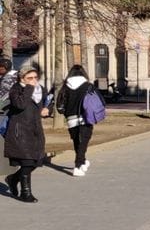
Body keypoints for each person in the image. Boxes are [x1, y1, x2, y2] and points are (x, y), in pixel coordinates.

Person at [4, 66, 50, 203]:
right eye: (30, 78)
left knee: (35, 161)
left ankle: (13, 179)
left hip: (35, 130)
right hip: (20, 131)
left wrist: (47, 109)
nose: (34, 81)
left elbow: (48, 102)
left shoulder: (41, 89)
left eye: (35, 77)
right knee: (27, 161)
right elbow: (20, 105)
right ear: (21, 78)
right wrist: (28, 88)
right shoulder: (15, 89)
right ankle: (26, 193)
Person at [56, 64, 97, 176]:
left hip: (71, 118)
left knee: (77, 141)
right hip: (86, 117)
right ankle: (78, 165)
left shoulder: (65, 86)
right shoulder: (88, 86)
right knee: (83, 142)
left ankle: (82, 161)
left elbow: (60, 104)